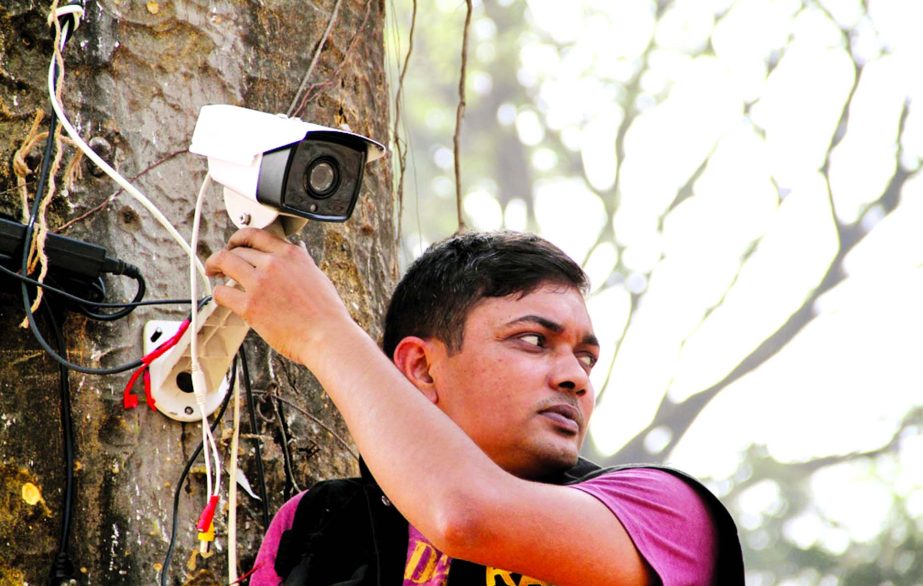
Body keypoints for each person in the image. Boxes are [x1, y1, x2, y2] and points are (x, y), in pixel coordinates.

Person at [205, 229, 744, 585]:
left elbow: (464, 515)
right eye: (534, 340)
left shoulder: (663, 514)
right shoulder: (321, 524)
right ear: (420, 368)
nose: (574, 377)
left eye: (586, 357)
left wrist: (323, 332)